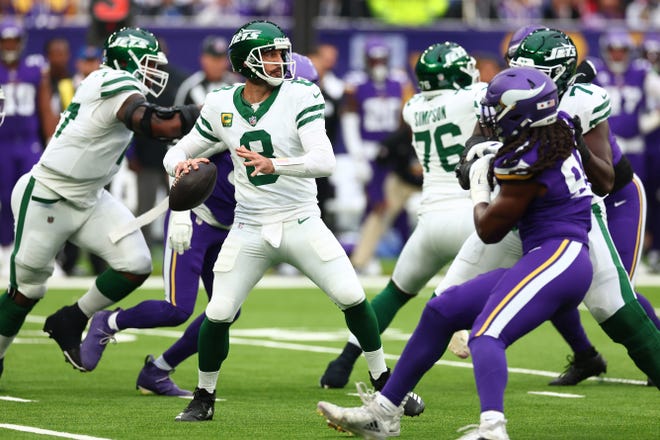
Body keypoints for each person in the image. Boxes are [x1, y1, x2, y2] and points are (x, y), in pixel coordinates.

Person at [163, 20, 421, 422]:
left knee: (352, 296)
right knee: (218, 312)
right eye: (270, 54)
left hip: (300, 219)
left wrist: (276, 164)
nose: (281, 61)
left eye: (282, 53)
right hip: (248, 225)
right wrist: (181, 165)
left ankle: (385, 381)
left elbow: (324, 161)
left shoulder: (301, 93)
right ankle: (203, 396)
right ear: (246, 62)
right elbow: (178, 148)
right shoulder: (221, 103)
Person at [318, 66, 595, 440]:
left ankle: (492, 430)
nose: (489, 116)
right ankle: (383, 412)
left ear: (519, 113)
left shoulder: (527, 158)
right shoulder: (557, 126)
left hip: (560, 257)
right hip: (546, 254)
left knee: (486, 335)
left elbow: (489, 228)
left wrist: (481, 184)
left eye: (497, 108)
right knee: (440, 310)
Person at [0, 27, 200, 378]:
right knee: (27, 290)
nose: (155, 71)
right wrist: (214, 111)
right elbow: (157, 125)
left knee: (135, 264)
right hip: (50, 194)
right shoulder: (109, 81)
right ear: (128, 61)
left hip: (90, 196)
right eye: (149, 63)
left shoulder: (121, 85)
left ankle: (72, 318)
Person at [320, 42, 485, 389]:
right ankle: (463, 321)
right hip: (471, 215)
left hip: (429, 220)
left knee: (394, 293)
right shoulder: (475, 97)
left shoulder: (413, 107)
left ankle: (344, 361)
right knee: (530, 272)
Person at [79, 150, 235, 394]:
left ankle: (157, 371)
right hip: (195, 218)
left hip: (230, 226)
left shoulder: (280, 127)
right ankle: (108, 321)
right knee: (176, 308)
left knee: (226, 311)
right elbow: (179, 151)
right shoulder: (224, 118)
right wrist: (182, 213)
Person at [342, 38, 415, 274]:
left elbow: (408, 115)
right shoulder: (356, 83)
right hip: (370, 153)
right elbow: (350, 121)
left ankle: (408, 257)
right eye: (374, 60)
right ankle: (365, 257)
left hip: (395, 153)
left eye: (382, 59)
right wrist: (358, 158)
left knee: (397, 208)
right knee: (377, 205)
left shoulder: (400, 82)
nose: (378, 64)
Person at [0, 18, 58, 278]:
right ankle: (4, 250)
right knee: (3, 199)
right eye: (6, 40)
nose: (10, 45)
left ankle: (38, 255)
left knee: (35, 199)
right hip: (2, 143)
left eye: (14, 40)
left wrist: (52, 144)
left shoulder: (34, 70)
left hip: (28, 143)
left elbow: (45, 109)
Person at [174, 35, 240, 107]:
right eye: (214, 59)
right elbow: (178, 115)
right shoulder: (190, 87)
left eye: (221, 59)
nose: (218, 65)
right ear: (203, 59)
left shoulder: (236, 85)